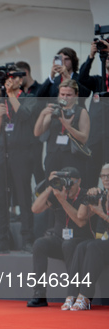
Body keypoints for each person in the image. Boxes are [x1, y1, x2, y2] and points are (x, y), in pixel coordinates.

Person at [27, 167, 94, 307]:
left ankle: (73, 294)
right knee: (40, 244)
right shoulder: (58, 192)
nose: (68, 186)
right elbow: (35, 209)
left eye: (72, 182)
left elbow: (80, 222)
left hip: (80, 241)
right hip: (59, 239)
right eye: (65, 182)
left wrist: (62, 200)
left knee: (68, 244)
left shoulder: (86, 195)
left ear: (79, 182)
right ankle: (39, 294)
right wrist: (50, 187)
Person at [0, 72, 37, 253]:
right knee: (0, 198)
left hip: (21, 152)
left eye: (15, 78)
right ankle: (2, 239)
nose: (12, 81)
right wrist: (1, 116)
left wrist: (10, 95)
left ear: (20, 81)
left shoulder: (29, 98)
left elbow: (24, 115)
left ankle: (27, 238)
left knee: (24, 196)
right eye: (9, 78)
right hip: (1, 152)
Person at [62, 163, 109, 310]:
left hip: (103, 244)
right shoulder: (102, 194)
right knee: (81, 246)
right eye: (103, 176)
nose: (106, 179)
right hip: (104, 242)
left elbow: (101, 214)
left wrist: (101, 214)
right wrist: (88, 196)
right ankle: (72, 294)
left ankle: (85, 296)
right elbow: (81, 216)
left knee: (93, 246)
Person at [34, 79, 91, 186]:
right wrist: (43, 114)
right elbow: (37, 132)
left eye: (69, 95)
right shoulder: (55, 109)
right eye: (62, 94)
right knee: (52, 189)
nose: (65, 97)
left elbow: (84, 138)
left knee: (71, 188)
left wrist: (68, 126)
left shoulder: (81, 111)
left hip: (72, 156)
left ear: (76, 95)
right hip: (53, 154)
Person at [78, 39, 109, 188]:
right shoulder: (98, 81)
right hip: (96, 137)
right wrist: (90, 57)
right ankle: (91, 209)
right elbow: (82, 79)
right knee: (90, 178)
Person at [16, 61, 45, 185]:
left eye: (17, 76)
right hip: (20, 139)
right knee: (22, 175)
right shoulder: (17, 92)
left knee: (38, 170)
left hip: (36, 137)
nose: (15, 80)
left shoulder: (41, 89)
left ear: (25, 73)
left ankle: (44, 201)